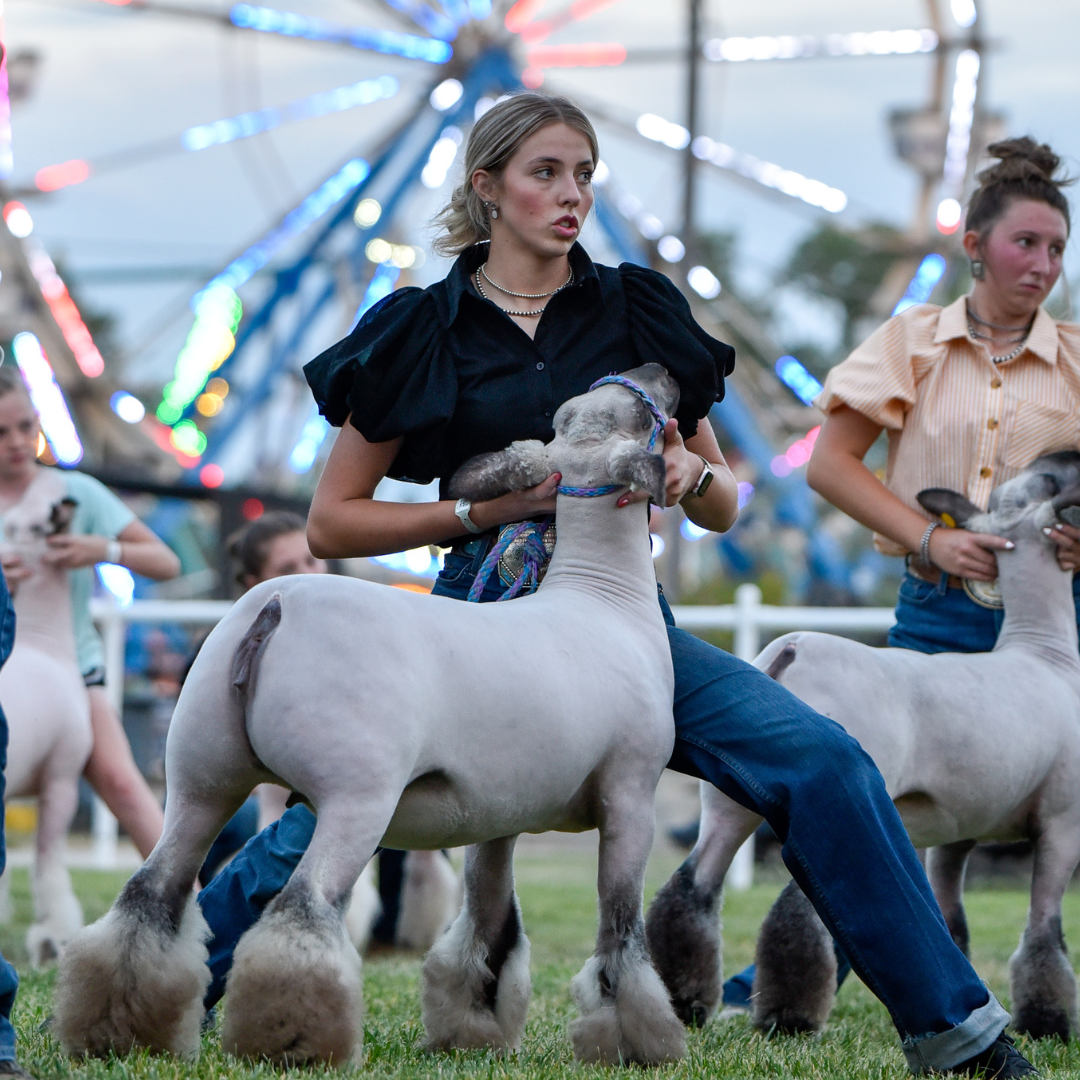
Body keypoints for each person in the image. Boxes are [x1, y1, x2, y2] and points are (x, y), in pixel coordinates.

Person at [196, 94, 1030, 1076]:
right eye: (546, 172)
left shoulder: (637, 306)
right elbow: (335, 518)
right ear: (486, 187)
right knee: (339, 811)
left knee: (824, 761)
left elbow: (727, 503)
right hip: (478, 619)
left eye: (585, 174)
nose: (572, 194)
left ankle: (955, 1031)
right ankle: (167, 966)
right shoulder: (422, 328)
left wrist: (691, 476)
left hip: (623, 621)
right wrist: (482, 515)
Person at [0, 367, 179, 858]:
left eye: (25, 426)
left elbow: (166, 562)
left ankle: (194, 911)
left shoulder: (78, 492)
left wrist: (103, 548)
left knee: (123, 785)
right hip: (6, 672)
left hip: (74, 672)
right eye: (1, 431)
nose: (17, 442)